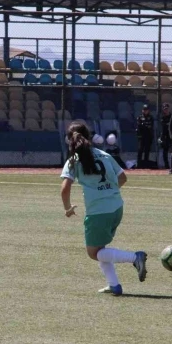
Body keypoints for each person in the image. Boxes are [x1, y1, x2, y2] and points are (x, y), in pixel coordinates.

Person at [60, 121, 147, 296]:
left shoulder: (74, 160)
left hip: (99, 212)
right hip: (117, 208)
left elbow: (65, 188)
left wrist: (68, 208)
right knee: (101, 248)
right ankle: (114, 285)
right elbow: (123, 178)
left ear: (69, 140)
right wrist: (109, 193)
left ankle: (135, 257)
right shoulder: (105, 154)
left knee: (94, 253)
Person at [135, 104, 154, 168]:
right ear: (142, 110)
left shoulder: (151, 117)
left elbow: (150, 126)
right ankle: (138, 164)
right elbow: (139, 126)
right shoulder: (140, 117)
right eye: (144, 110)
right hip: (141, 136)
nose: (145, 111)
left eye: (147, 110)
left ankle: (146, 164)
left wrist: (144, 125)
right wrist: (144, 126)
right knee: (140, 150)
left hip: (148, 136)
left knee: (147, 151)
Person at [158, 103, 172, 169]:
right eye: (164, 109)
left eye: (167, 108)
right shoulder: (162, 117)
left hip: (171, 135)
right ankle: (167, 166)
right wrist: (161, 138)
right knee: (165, 152)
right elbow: (163, 127)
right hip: (165, 136)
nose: (166, 110)